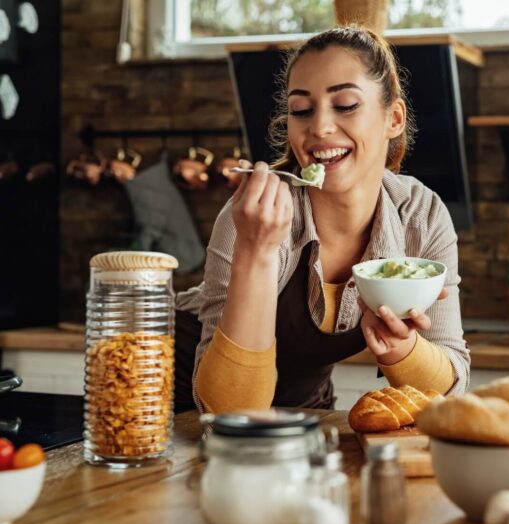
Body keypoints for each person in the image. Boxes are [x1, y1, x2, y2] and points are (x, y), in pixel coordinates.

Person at [174, 26, 469, 413]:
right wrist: (256, 253)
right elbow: (227, 411)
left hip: (303, 408)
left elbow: (452, 391)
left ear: (393, 118)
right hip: (172, 398)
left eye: (345, 104)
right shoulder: (254, 217)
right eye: (301, 110)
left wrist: (402, 347)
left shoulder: (420, 215)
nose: (319, 127)